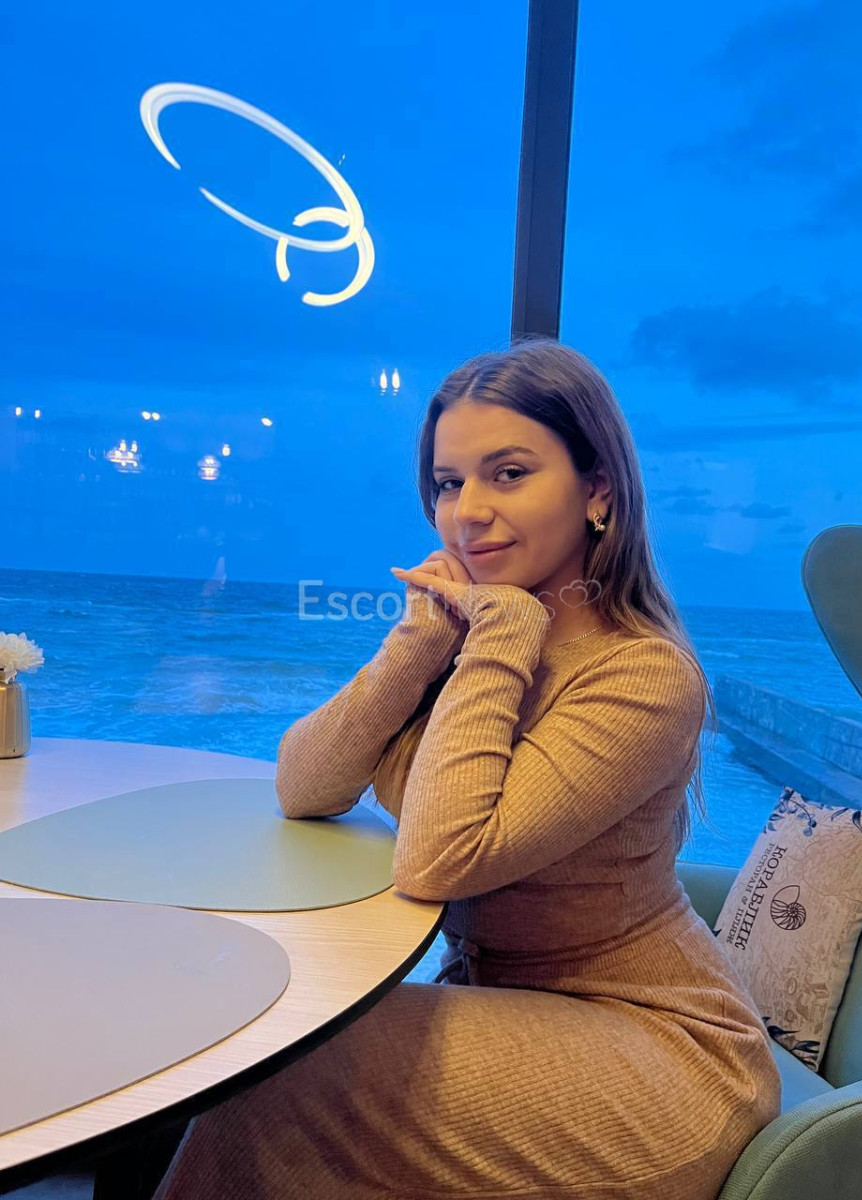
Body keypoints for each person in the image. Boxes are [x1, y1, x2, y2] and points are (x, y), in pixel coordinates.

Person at [152, 338, 781, 1200]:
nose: (467, 513)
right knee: (243, 1035)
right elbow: (304, 785)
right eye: (449, 483)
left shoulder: (643, 675)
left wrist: (503, 631)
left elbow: (441, 858)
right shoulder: (466, 638)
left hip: (656, 1047)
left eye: (509, 474)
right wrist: (419, 639)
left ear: (598, 490)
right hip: (505, 1006)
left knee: (279, 1075)